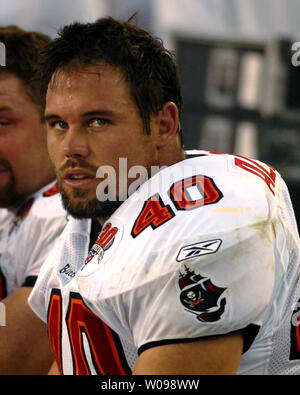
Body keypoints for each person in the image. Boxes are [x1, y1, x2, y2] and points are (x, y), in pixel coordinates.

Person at [29, 17, 300, 375]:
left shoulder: (210, 220)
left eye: (97, 121)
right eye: (58, 124)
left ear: (163, 125)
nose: (70, 148)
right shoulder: (93, 214)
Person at [0, 26, 68, 374]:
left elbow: (10, 359)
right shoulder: (12, 211)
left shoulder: (69, 216)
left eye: (2, 121)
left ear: (55, 122)